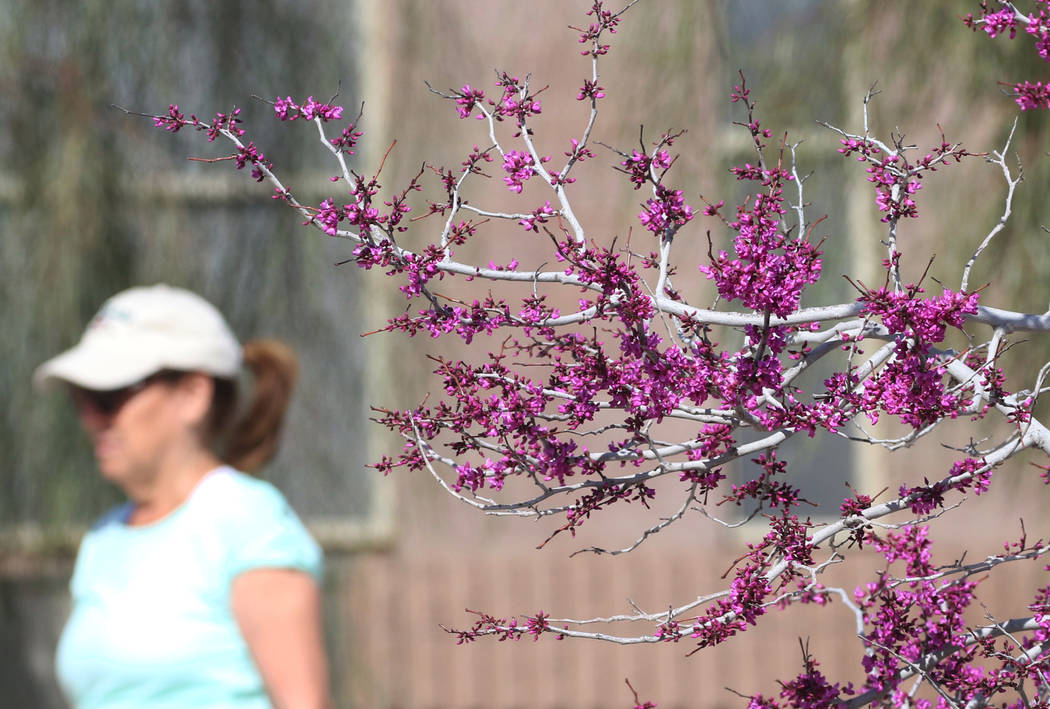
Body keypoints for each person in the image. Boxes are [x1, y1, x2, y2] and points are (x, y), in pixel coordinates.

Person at [34, 284, 330, 709]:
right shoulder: (103, 538)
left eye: (107, 397)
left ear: (193, 394)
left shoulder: (248, 522)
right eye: (79, 400)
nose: (90, 419)